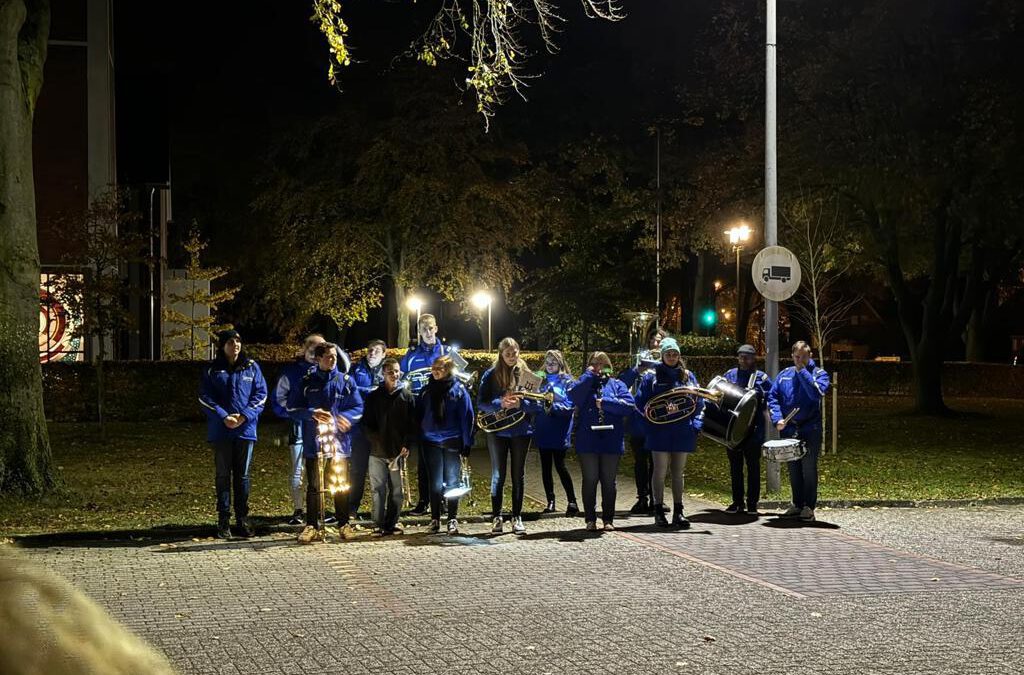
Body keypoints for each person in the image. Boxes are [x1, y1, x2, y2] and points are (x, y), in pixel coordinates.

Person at [288, 342, 364, 543]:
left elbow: (358, 406)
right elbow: (292, 408)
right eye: (328, 357)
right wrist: (312, 413)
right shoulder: (306, 382)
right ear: (318, 359)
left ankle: (343, 523)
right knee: (314, 485)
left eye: (335, 357)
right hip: (315, 444)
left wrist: (345, 417)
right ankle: (312, 525)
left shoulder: (345, 381)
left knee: (341, 484)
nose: (332, 360)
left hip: (339, 444)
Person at [198, 329, 268, 539]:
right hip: (221, 431)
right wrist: (223, 416)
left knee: (242, 476)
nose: (235, 345)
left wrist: (244, 416)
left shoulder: (252, 367)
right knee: (222, 476)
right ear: (222, 346)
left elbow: (261, 395)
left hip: (245, 431)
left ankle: (242, 518)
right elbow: (204, 397)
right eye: (230, 342)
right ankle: (223, 520)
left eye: (238, 341)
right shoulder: (212, 369)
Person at [635, 337, 702, 529]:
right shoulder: (651, 377)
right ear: (662, 355)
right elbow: (639, 405)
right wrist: (650, 425)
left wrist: (695, 425)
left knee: (678, 473)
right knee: (660, 470)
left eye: (675, 354)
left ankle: (678, 511)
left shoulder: (687, 376)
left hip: (682, 430)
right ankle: (658, 510)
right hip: (660, 431)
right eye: (668, 354)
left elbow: (699, 403)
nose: (672, 357)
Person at [567, 351, 635, 531]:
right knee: (590, 479)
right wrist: (588, 376)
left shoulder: (617, 384)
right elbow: (573, 395)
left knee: (608, 481)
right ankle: (590, 518)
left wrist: (606, 402)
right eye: (595, 364)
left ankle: (608, 519)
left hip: (610, 439)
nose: (599, 367)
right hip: (588, 439)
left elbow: (629, 406)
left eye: (603, 364)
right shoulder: (585, 384)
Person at [477, 337, 536, 535]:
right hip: (498, 430)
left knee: (518, 475)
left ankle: (516, 517)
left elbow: (537, 405)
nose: (511, 357)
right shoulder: (491, 374)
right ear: (501, 355)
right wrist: (499, 403)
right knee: (498, 475)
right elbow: (481, 402)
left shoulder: (528, 375)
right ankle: (497, 516)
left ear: (519, 352)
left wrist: (521, 404)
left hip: (521, 430)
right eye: (507, 354)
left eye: (514, 353)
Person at [768, 341, 831, 522]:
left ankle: (809, 507)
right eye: (796, 356)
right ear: (792, 356)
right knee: (793, 467)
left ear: (810, 355)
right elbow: (773, 397)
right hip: (789, 428)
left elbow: (815, 393)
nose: (800, 360)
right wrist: (777, 418)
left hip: (810, 428)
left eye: (803, 356)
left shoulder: (819, 374)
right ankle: (797, 503)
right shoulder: (784, 375)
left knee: (808, 467)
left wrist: (802, 372)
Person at [417, 355, 475, 534]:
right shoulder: (426, 390)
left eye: (440, 368)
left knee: (452, 482)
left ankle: (452, 519)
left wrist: (467, 443)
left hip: (452, 441)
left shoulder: (458, 390)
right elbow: (419, 415)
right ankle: (435, 519)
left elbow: (467, 417)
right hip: (431, 442)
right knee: (434, 483)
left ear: (448, 370)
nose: (435, 371)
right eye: (434, 367)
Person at [400, 314, 451, 515]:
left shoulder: (447, 352)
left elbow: (462, 380)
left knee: (444, 460)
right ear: (419, 332)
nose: (428, 332)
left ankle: (444, 500)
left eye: (430, 328)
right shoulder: (410, 356)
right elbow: (401, 380)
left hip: (444, 414)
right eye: (423, 329)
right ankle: (424, 501)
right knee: (423, 462)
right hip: (421, 415)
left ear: (436, 328)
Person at [271, 333, 324, 525]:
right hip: (299, 430)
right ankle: (299, 510)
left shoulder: (327, 370)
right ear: (303, 348)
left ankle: (319, 508)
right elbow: (278, 401)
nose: (314, 349)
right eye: (310, 345)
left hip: (322, 433)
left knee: (320, 472)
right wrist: (296, 414)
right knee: (298, 471)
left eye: (319, 346)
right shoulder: (291, 372)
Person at [361, 357, 417, 535]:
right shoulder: (373, 397)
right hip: (377, 452)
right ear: (383, 374)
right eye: (390, 371)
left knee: (397, 491)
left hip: (397, 452)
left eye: (396, 371)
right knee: (378, 490)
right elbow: (366, 424)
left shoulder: (407, 396)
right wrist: (375, 440)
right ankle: (378, 524)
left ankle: (391, 523)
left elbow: (412, 423)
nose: (394, 374)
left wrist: (407, 444)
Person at [721, 344, 772, 516]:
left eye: (747, 357)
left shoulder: (761, 378)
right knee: (735, 467)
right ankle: (737, 502)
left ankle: (752, 503)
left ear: (754, 358)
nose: (744, 360)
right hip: (732, 428)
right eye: (741, 356)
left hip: (753, 430)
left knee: (753, 467)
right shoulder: (730, 375)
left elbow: (771, 398)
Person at [618, 329, 665, 515]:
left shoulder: (666, 363)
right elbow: (622, 383)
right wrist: (637, 369)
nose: (655, 344)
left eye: (659, 340)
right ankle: (642, 498)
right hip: (638, 418)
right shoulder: (640, 361)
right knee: (640, 461)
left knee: (658, 462)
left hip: (659, 420)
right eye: (653, 340)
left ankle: (657, 498)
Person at [532, 349, 579, 516]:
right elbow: (533, 400)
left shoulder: (568, 382)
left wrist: (552, 406)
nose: (550, 365)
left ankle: (572, 500)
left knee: (560, 465)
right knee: (545, 467)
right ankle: (550, 501)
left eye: (553, 362)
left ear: (560, 363)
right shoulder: (540, 380)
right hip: (544, 427)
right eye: (548, 361)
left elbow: (570, 406)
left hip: (559, 428)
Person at [348, 339, 388, 522]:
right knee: (357, 470)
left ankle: (379, 512)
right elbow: (351, 389)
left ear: (384, 354)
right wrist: (372, 391)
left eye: (376, 351)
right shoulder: (356, 369)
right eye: (370, 350)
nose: (372, 353)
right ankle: (351, 509)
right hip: (360, 428)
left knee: (381, 473)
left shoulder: (388, 370)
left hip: (381, 429)